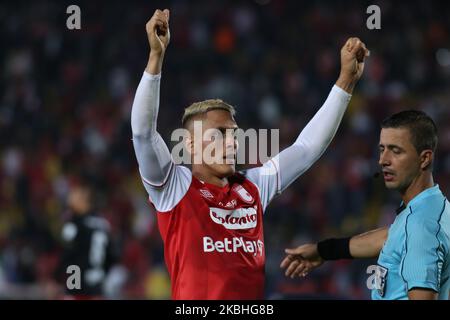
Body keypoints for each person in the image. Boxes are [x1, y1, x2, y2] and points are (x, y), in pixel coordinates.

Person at [131, 8, 369, 299]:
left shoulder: (253, 186)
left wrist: (346, 81)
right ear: (190, 144)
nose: (232, 143)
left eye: (233, 134)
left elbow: (307, 149)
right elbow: (143, 133)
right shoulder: (174, 187)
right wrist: (156, 57)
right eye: (219, 134)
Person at [281, 110, 450, 300]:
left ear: (425, 158)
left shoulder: (420, 227)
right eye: (382, 149)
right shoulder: (432, 206)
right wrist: (323, 251)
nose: (383, 160)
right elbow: (392, 237)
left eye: (396, 151)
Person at [58, 183, 116, 299]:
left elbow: (68, 255)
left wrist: (58, 278)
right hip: (97, 282)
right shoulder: (103, 224)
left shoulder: (74, 224)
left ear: (84, 201)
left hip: (75, 280)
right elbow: (111, 256)